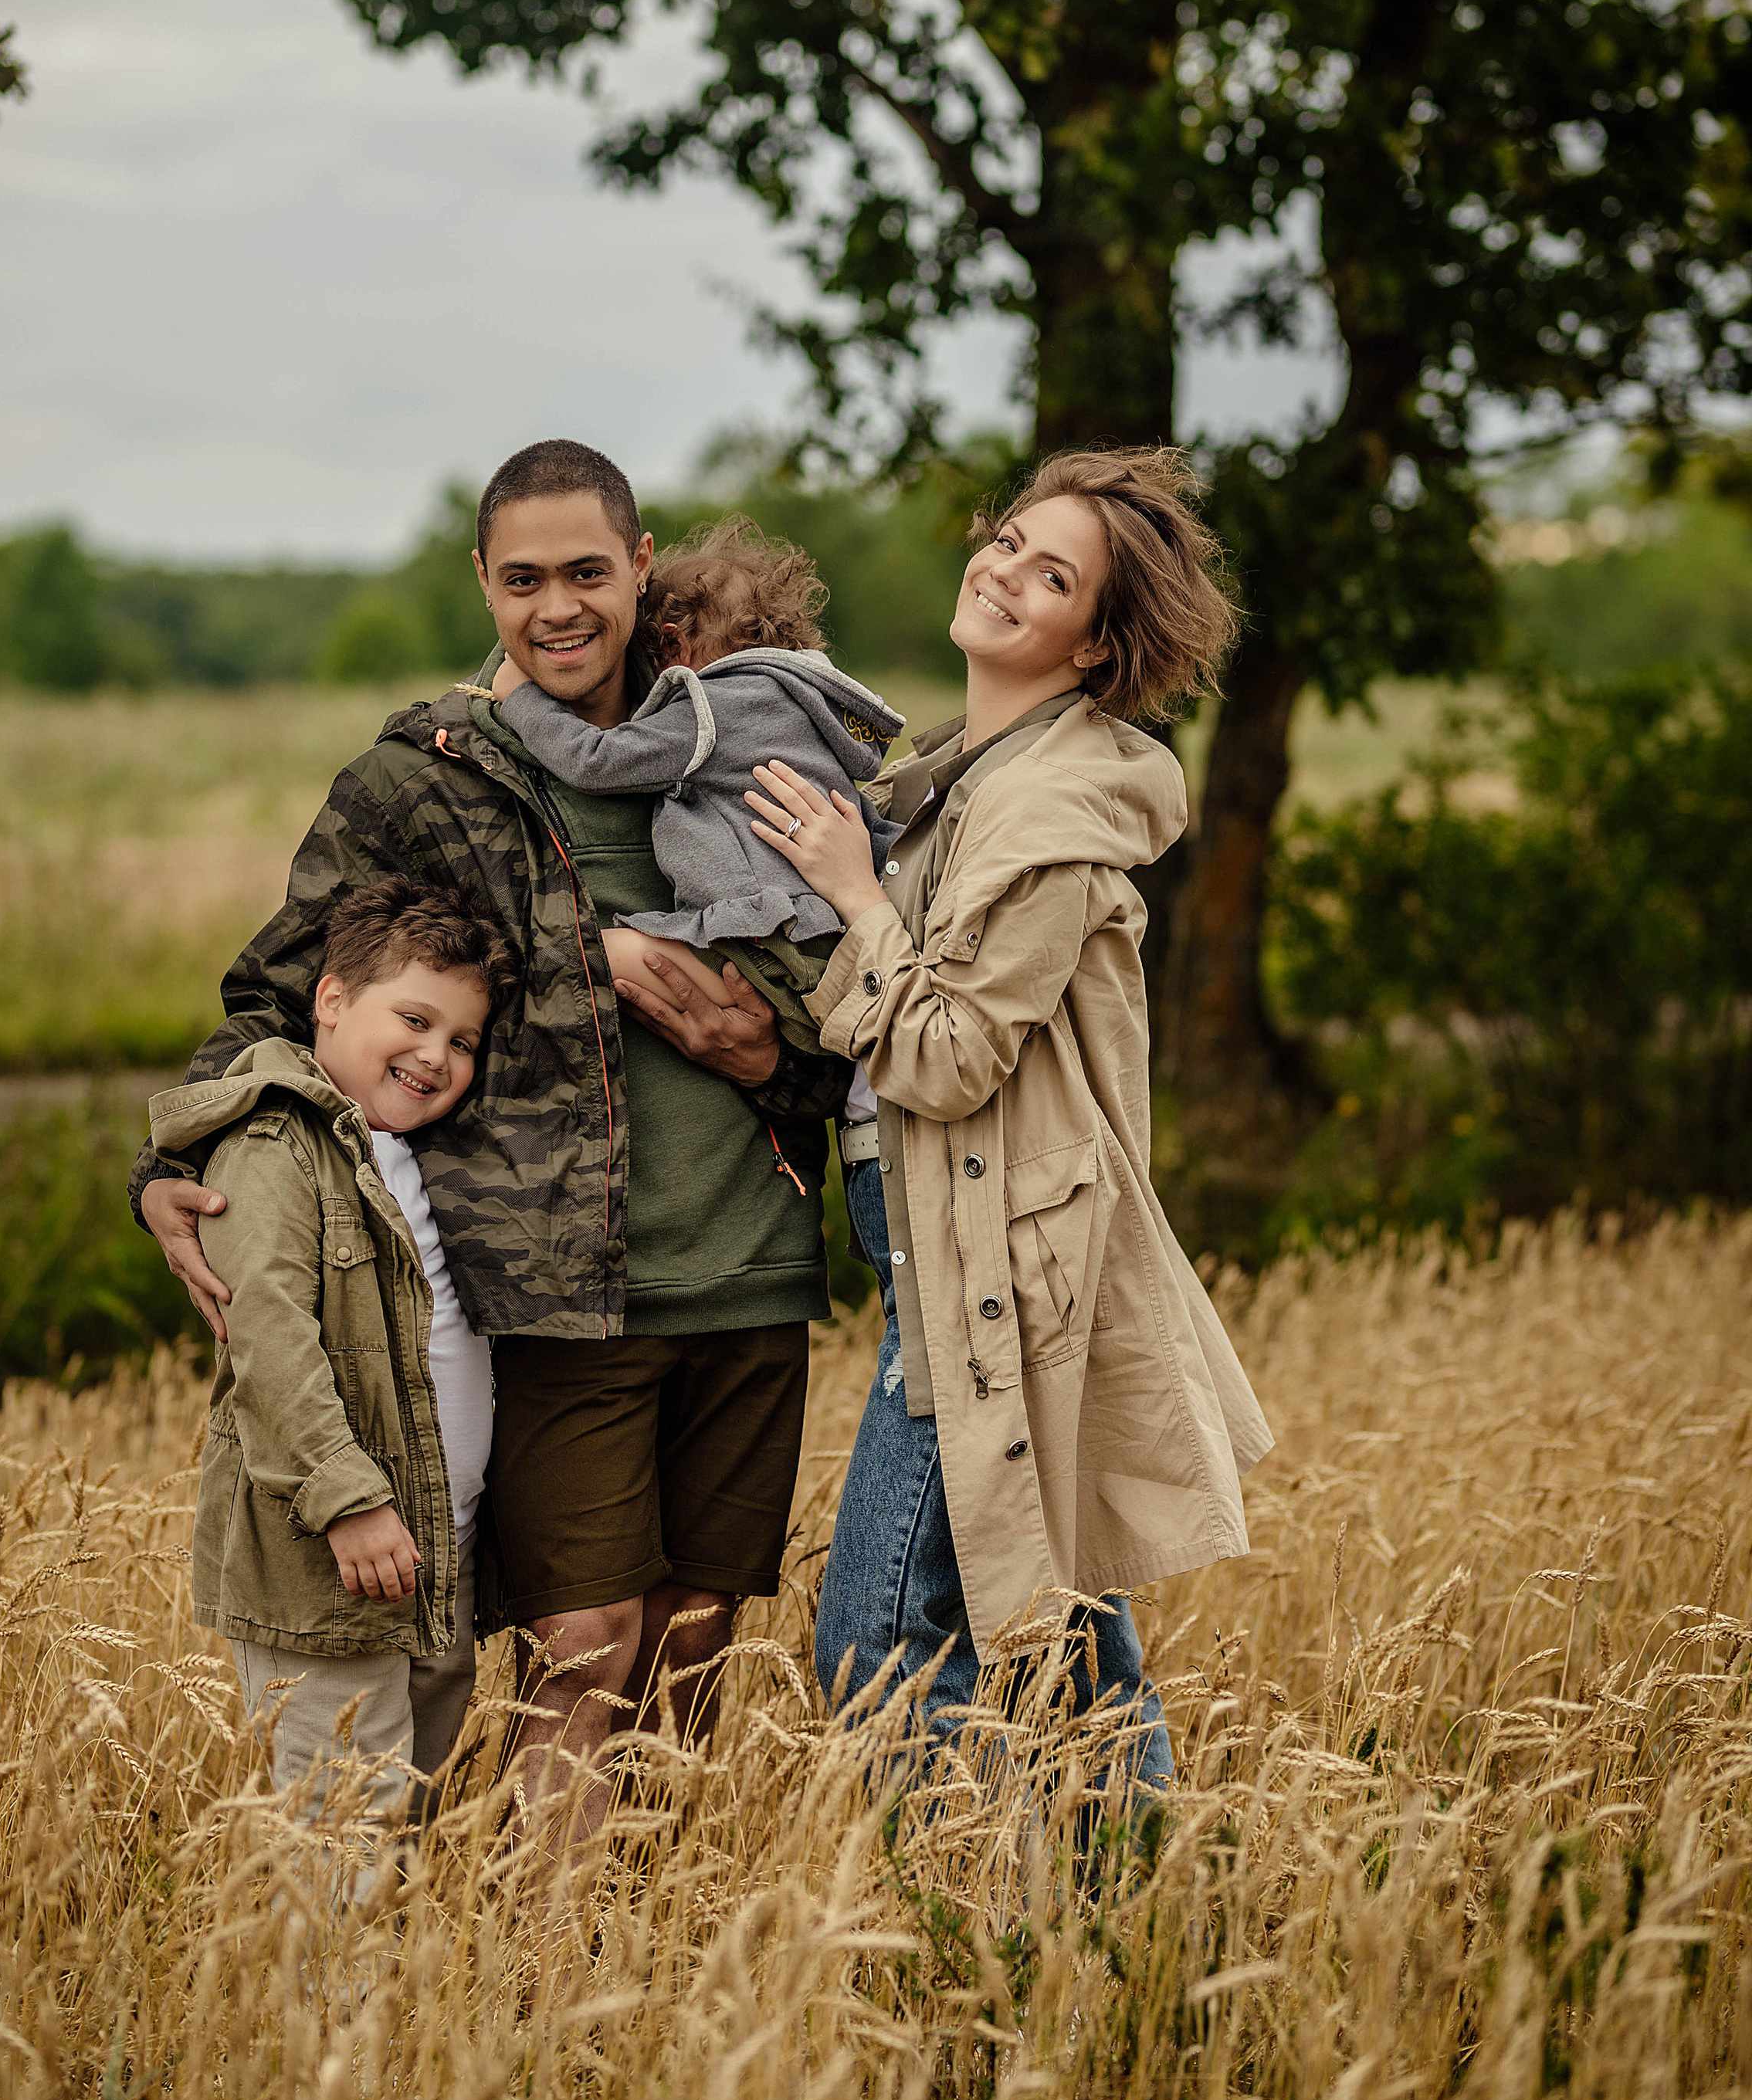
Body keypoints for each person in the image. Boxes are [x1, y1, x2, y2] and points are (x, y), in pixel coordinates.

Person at [130, 439, 849, 1854]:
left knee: (695, 1641)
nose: (558, 607)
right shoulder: (427, 779)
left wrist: (778, 1062)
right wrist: (169, 1163)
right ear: (483, 582)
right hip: (557, 1291)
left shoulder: (746, 742)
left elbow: (859, 995)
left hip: (751, 1271)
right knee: (584, 1641)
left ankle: (642, 1959)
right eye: (524, 580)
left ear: (641, 566)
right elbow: (277, 999)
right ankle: (527, 1966)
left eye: (587, 572)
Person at [742, 446, 1275, 1796]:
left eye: (1053, 578)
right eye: (1010, 542)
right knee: (1070, 1630)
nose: (1004, 573)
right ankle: (1134, 1906)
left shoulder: (1048, 811)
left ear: (1094, 644)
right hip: (951, 1231)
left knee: (879, 1646)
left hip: (989, 1259)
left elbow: (945, 1057)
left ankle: (941, 1909)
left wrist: (856, 896)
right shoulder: (960, 777)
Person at [150, 877, 516, 1889]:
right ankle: (330, 2001)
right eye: (415, 1020)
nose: (438, 1055)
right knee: (344, 1835)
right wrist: (347, 1499)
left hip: (432, 1552)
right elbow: (269, 1340)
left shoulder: (410, 1154)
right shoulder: (276, 1143)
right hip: (332, 1554)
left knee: (400, 1831)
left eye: (464, 1040)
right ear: (332, 1001)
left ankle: (383, 1990)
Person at [496, 514, 904, 1048]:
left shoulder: (713, 707)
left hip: (765, 943)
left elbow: (594, 761)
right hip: (829, 938)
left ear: (674, 645)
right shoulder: (803, 702)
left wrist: (520, 698)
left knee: (586, 954)